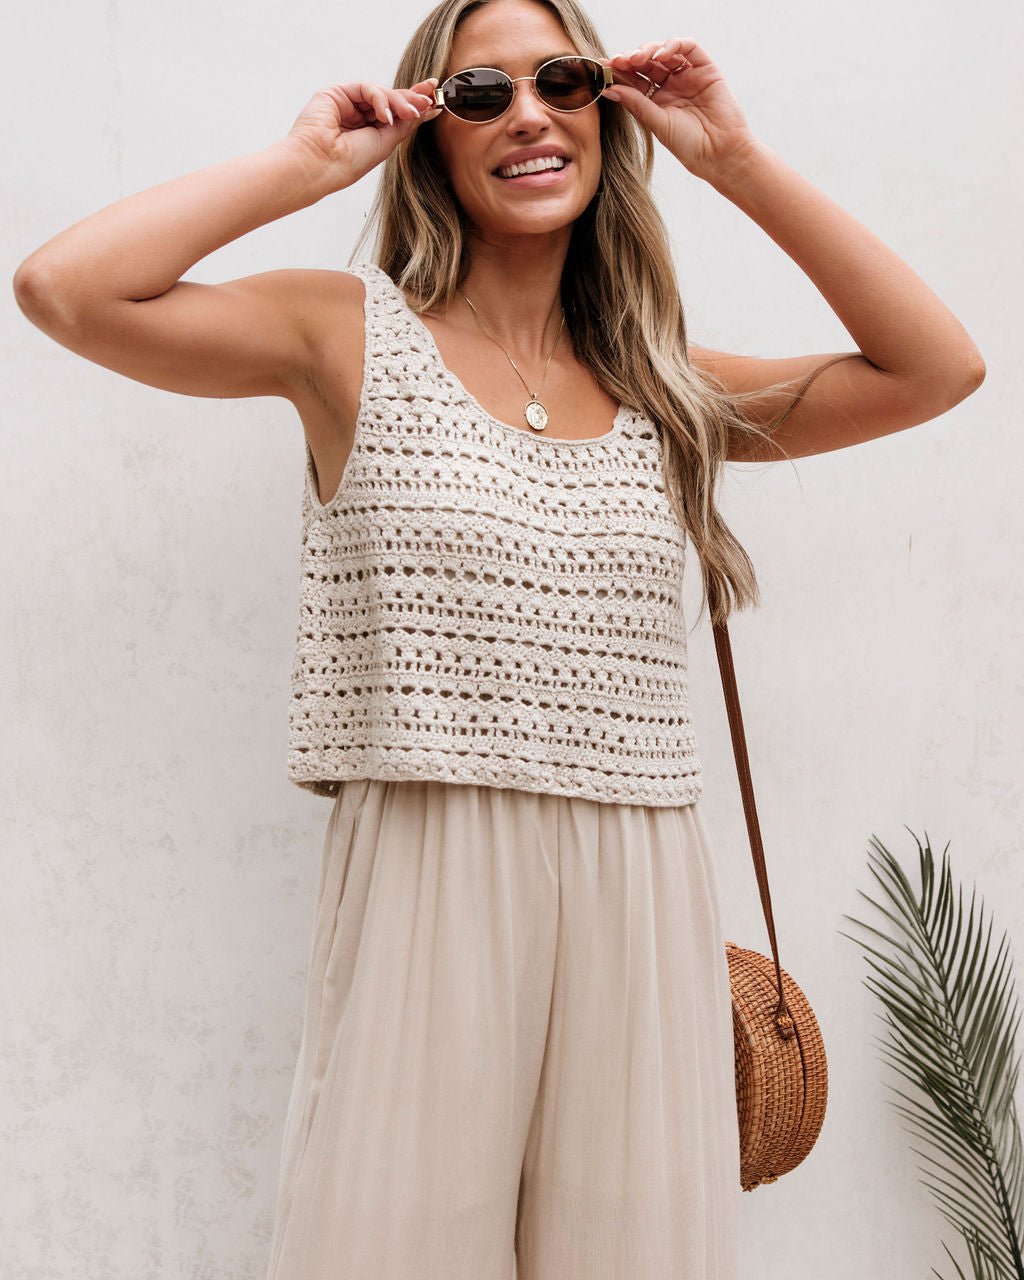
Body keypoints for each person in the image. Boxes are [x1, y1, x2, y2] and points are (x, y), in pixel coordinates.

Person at [12, 0, 985, 1276]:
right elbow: (64, 288)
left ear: (605, 114)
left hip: (641, 886)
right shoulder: (340, 333)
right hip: (429, 871)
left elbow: (935, 367)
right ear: (431, 131)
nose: (528, 115)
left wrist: (734, 158)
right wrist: (304, 165)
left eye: (562, 81)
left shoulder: (665, 382)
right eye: (480, 93)